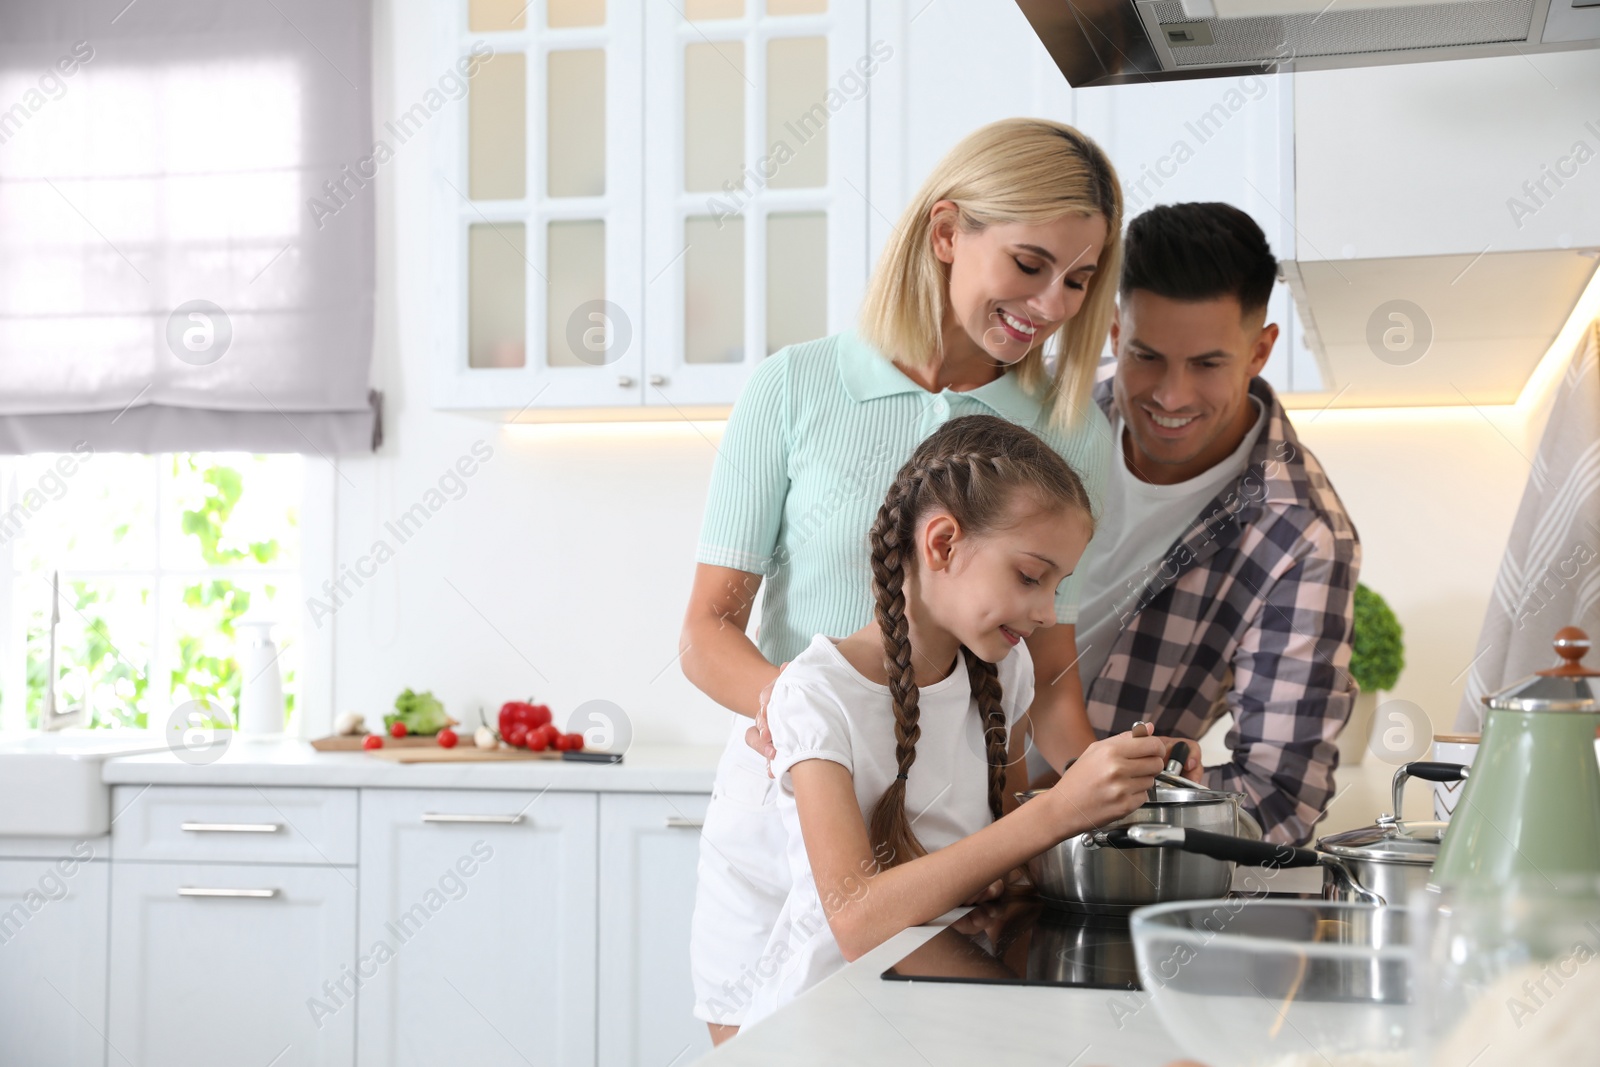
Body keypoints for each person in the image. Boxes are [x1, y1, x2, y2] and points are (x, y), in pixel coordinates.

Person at [679, 118, 1192, 1044]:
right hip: (796, 806)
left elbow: (1049, 675)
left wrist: (1121, 783)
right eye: (1031, 263)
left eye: (1080, 280)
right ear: (948, 232)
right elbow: (707, 631)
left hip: (940, 840)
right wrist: (816, 727)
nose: (1052, 303)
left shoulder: (1064, 428)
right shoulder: (796, 388)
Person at [706, 415, 1174, 1028]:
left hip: (940, 1008)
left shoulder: (1008, 675)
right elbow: (857, 921)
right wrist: (1059, 809)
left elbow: (1007, 853)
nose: (1043, 612)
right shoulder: (816, 696)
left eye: (1056, 586)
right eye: (1030, 577)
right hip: (827, 1023)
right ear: (943, 544)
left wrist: (1121, 785)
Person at [1069, 201, 1362, 845]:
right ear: (1116, 332)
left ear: (1260, 350)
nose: (1170, 396)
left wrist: (1157, 790)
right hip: (926, 802)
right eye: (1147, 356)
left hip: (1082, 859)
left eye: (1206, 364)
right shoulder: (1050, 421)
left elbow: (1281, 798)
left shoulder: (1301, 537)